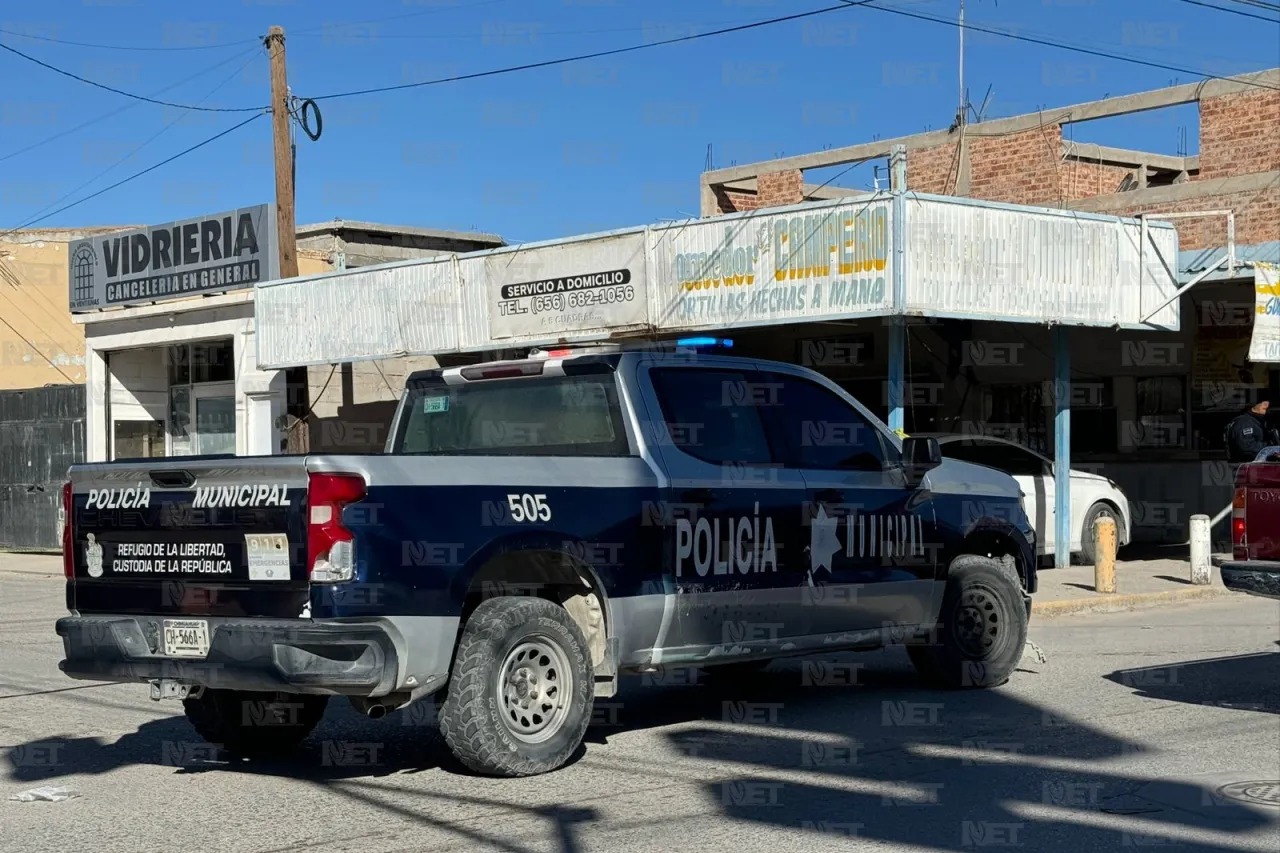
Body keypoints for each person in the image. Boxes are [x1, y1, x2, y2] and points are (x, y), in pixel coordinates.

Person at [1225, 397, 1280, 463]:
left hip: (1259, 464)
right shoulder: (1244, 422)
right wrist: (1269, 447)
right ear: (1254, 405)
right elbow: (1247, 446)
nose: (1266, 406)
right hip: (1246, 465)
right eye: (1264, 405)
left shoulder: (1261, 421)